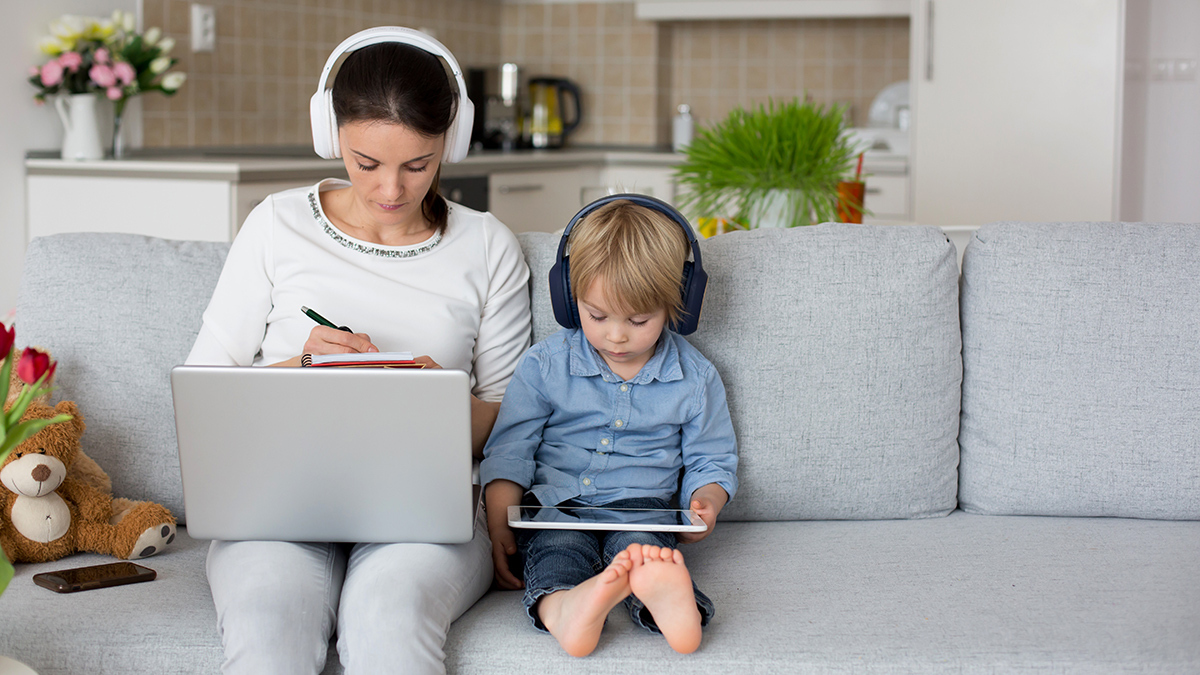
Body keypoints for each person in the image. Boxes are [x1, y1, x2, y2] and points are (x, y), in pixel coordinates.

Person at [185, 29, 531, 675]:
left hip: (426, 513)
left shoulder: (488, 246)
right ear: (329, 132)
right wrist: (303, 367)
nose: (391, 190)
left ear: (451, 142)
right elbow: (206, 392)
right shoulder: (274, 223)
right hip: (275, 505)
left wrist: (438, 395)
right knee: (265, 625)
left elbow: (512, 414)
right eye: (366, 162)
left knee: (386, 616)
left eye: (418, 164)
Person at [480, 198, 738, 657]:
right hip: (556, 505)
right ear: (567, 296)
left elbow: (711, 459)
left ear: (679, 305)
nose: (616, 336)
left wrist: (706, 502)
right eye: (597, 315)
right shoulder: (544, 364)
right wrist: (500, 518)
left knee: (645, 551)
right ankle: (566, 606)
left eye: (639, 320)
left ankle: (670, 604)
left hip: (644, 509)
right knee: (557, 551)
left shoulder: (696, 379)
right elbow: (511, 448)